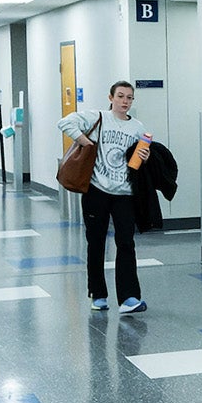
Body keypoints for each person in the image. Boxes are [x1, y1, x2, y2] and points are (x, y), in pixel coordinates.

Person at [60, 81, 150, 314]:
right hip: (96, 190)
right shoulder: (98, 117)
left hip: (124, 193)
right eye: (120, 96)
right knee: (96, 242)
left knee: (126, 243)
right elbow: (65, 122)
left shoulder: (138, 128)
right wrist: (85, 142)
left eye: (129, 98)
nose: (125, 102)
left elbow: (139, 161)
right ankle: (98, 294)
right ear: (110, 98)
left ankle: (129, 297)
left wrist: (145, 155)